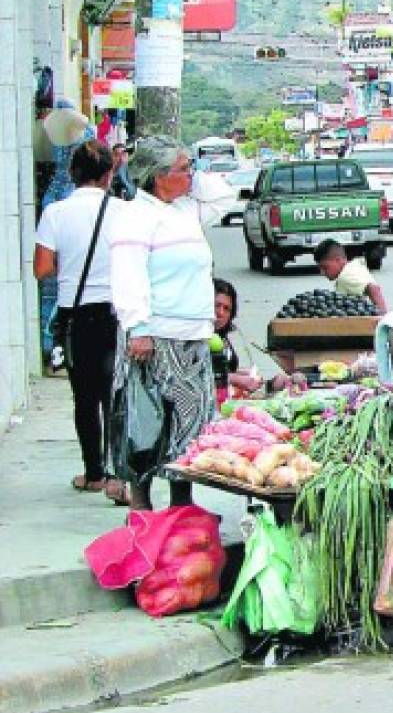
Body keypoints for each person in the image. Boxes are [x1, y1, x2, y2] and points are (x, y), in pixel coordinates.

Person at [109, 136, 216, 510]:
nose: (191, 176)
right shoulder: (135, 216)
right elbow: (128, 275)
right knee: (148, 424)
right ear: (158, 177)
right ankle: (141, 507)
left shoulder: (183, 210)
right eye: (184, 169)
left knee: (188, 426)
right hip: (156, 337)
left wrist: (197, 178)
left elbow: (224, 198)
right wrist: (138, 328)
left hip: (192, 335)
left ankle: (181, 505)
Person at [33, 141, 122, 495]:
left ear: (73, 174)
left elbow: (42, 269)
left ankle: (94, 473)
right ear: (108, 174)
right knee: (116, 397)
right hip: (117, 313)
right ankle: (119, 472)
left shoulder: (55, 213)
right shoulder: (123, 211)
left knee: (85, 400)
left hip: (76, 315)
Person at [213, 279, 299, 398]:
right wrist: (235, 378)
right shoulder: (194, 340)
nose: (220, 313)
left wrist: (267, 383)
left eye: (226, 309)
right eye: (216, 306)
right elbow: (200, 376)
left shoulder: (221, 337)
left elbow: (221, 369)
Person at [314, 240, 388, 312]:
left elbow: (373, 289)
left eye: (325, 267)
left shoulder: (346, 276)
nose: (322, 272)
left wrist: (382, 316)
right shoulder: (353, 266)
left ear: (338, 260)